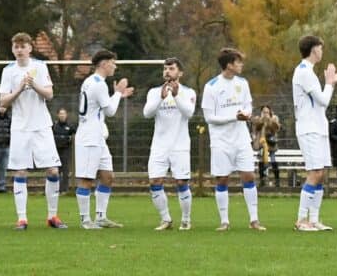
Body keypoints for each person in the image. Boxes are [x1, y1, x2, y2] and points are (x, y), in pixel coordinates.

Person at [0, 32, 65, 230]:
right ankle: (22, 218)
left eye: (23, 46)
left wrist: (33, 84)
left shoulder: (40, 67)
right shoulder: (8, 71)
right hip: (20, 127)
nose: (19, 50)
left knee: (52, 169)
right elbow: (3, 101)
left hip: (41, 126)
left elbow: (50, 94)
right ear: (13, 49)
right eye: (16, 47)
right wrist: (19, 88)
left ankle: (52, 216)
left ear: (30, 48)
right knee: (20, 171)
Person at [201, 47, 265, 230]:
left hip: (241, 138)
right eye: (238, 62)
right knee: (222, 179)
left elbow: (248, 105)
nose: (241, 65)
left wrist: (246, 114)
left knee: (249, 176)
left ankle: (254, 220)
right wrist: (233, 117)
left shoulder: (242, 83)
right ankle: (224, 221)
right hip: (221, 141)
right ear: (229, 65)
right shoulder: (211, 86)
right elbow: (209, 118)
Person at [73, 48, 132, 229]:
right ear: (104, 64)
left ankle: (100, 217)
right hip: (89, 137)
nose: (114, 66)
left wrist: (116, 95)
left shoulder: (91, 81)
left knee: (107, 176)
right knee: (87, 179)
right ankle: (85, 220)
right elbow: (110, 111)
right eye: (113, 63)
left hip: (97, 136)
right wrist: (118, 94)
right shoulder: (98, 84)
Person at [291, 35, 337, 228]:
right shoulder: (304, 71)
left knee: (320, 173)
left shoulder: (309, 72)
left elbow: (319, 105)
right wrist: (330, 82)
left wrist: (330, 83)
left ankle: (314, 219)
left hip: (319, 128)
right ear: (314, 50)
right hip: (308, 128)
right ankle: (301, 219)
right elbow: (323, 100)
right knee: (314, 172)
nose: (322, 52)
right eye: (320, 48)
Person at [140, 57, 196, 230]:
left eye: (171, 68)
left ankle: (186, 219)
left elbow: (189, 113)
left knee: (181, 183)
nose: (167, 71)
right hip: (159, 145)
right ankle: (166, 219)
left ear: (180, 73)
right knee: (155, 182)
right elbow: (147, 113)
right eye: (165, 68)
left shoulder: (188, 92)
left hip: (180, 145)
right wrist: (161, 97)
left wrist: (176, 95)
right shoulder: (154, 92)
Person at [253, 106, 282, 187]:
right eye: (264, 112)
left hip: (271, 143)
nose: (265, 114)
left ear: (270, 112)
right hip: (262, 143)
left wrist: (269, 120)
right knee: (261, 162)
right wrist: (262, 120)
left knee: (273, 160)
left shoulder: (274, 118)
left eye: (267, 112)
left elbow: (276, 129)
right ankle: (262, 180)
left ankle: (277, 180)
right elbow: (256, 128)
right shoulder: (258, 119)